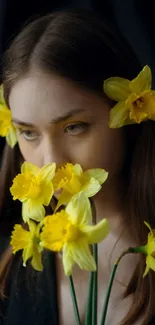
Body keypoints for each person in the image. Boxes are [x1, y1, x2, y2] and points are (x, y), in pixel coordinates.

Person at [0, 8, 155, 325]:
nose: (51, 163)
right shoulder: (16, 257)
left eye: (74, 127)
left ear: (126, 115)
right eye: (29, 132)